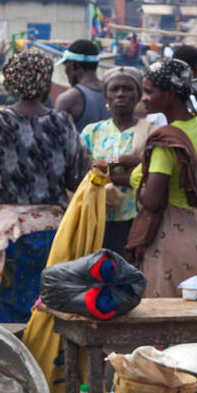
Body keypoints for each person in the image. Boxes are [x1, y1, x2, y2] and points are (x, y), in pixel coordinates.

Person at [0, 48, 90, 323]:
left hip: (2, 234)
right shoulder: (62, 122)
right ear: (46, 83)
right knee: (45, 312)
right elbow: (76, 178)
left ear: (10, 82)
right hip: (50, 232)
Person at [126, 58, 197, 297]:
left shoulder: (166, 141)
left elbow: (152, 200)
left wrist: (136, 180)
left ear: (169, 94)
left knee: (164, 317)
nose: (143, 98)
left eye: (149, 91)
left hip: (170, 237)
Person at [80, 66, 155, 258]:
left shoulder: (151, 132)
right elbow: (82, 173)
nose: (121, 94)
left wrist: (105, 171)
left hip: (137, 220)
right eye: (114, 89)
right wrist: (119, 161)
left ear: (139, 95)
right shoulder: (92, 132)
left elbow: (152, 175)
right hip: (97, 219)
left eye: (128, 89)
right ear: (106, 96)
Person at [56, 39, 108, 132]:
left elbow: (57, 140)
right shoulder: (112, 92)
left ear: (74, 66)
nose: (66, 72)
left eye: (66, 66)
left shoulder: (68, 99)